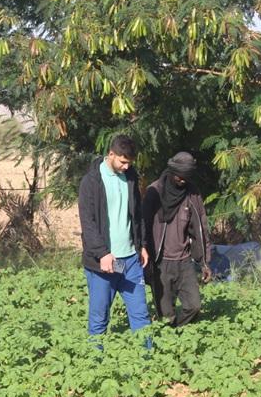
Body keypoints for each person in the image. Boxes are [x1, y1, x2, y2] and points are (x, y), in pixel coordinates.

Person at [78, 134, 151, 337]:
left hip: (131, 261)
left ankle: (148, 356)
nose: (126, 167)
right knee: (99, 319)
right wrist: (102, 253)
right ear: (111, 154)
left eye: (130, 163)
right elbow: (88, 222)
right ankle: (96, 356)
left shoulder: (130, 177)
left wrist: (142, 245)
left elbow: (137, 215)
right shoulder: (91, 182)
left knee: (141, 317)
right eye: (123, 162)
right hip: (105, 262)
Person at [143, 151, 212, 327]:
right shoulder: (154, 192)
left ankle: (177, 332)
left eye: (186, 177)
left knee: (194, 306)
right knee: (165, 315)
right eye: (179, 176)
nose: (182, 180)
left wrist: (204, 262)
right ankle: (170, 336)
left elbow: (200, 229)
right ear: (172, 171)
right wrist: (145, 259)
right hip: (160, 263)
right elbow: (142, 226)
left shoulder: (192, 195)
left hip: (184, 262)